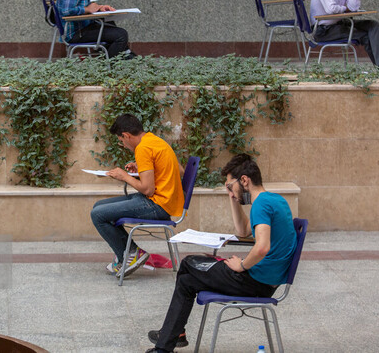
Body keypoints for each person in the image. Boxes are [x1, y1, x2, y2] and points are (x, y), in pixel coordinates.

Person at [146, 154, 297, 353]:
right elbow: (243, 231)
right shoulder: (275, 200)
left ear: (244, 180)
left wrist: (242, 265)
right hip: (266, 280)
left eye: (229, 186)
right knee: (186, 282)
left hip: (255, 281)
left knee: (190, 262)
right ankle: (169, 340)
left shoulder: (261, 205)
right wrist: (232, 197)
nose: (230, 192)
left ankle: (171, 336)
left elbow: (262, 247)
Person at [90, 114, 184, 278]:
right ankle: (125, 255)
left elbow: (147, 190)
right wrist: (142, 167)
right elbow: (180, 170)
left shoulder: (142, 148)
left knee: (97, 214)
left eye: (122, 141)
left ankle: (131, 253)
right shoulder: (154, 140)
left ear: (126, 135)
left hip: (157, 205)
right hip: (164, 201)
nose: (124, 145)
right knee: (99, 207)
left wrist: (124, 176)